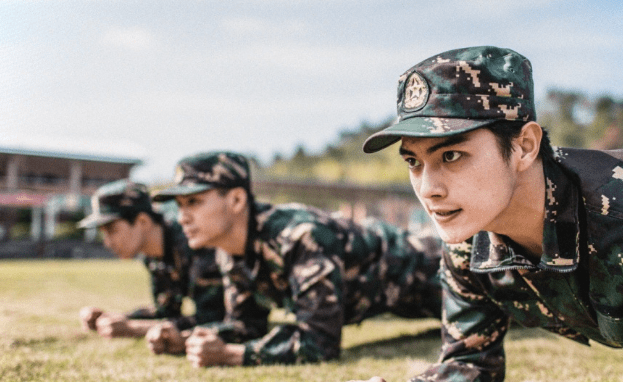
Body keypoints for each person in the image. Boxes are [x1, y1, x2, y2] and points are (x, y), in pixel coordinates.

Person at [333, 46, 623, 382]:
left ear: (524, 146)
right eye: (413, 162)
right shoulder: (468, 236)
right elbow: (470, 362)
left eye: (451, 155)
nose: (428, 190)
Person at [149, 151, 443, 367]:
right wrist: (186, 338)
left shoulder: (299, 235)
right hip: (407, 301)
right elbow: (246, 326)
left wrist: (231, 356)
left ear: (237, 200)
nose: (182, 216)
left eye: (194, 202)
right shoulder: (232, 252)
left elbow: (319, 342)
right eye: (179, 205)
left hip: (439, 270)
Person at [77, 179, 224, 340]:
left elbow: (214, 318)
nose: (107, 242)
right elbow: (165, 311)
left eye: (112, 230)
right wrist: (116, 318)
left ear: (143, 221)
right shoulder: (154, 257)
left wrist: (134, 328)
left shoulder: (193, 244)